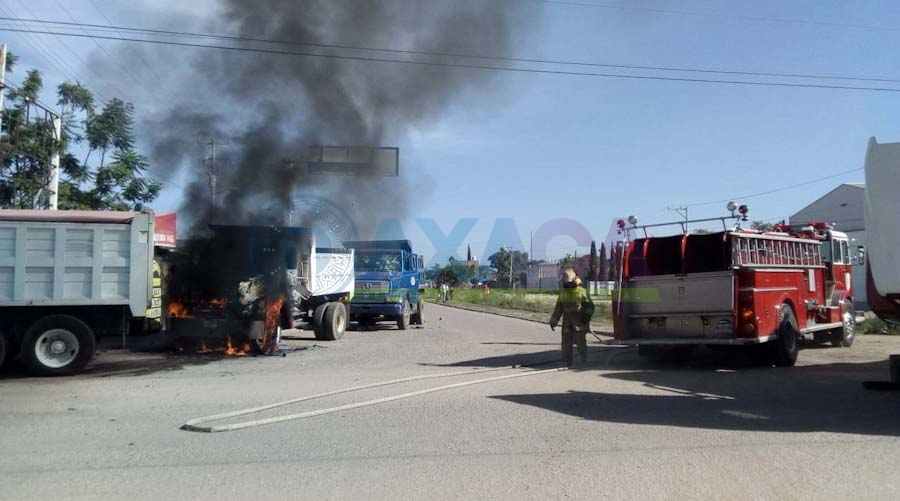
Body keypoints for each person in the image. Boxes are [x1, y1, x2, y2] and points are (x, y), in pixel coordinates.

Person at [550, 267, 595, 367]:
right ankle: (567, 361)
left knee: (581, 343)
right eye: (566, 284)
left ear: (574, 280)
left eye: (569, 283)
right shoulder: (563, 293)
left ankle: (583, 361)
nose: (568, 285)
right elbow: (558, 309)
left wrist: (585, 319)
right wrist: (553, 321)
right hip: (567, 322)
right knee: (566, 342)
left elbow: (590, 307)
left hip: (580, 322)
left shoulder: (582, 292)